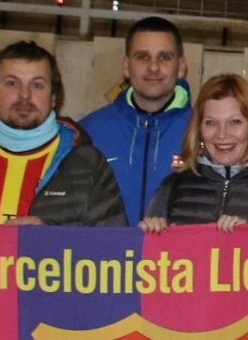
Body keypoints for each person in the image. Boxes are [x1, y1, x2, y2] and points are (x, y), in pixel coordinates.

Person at [0, 40, 126, 226]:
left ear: (53, 97)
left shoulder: (87, 164)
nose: (24, 95)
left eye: (37, 85)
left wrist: (47, 238)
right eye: (11, 83)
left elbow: (113, 244)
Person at [79, 16, 192, 225]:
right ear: (125, 66)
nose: (154, 67)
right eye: (142, 57)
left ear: (181, 67)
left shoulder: (204, 132)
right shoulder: (88, 132)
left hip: (178, 248)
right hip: (105, 248)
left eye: (164, 57)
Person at [138, 74, 248, 231]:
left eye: (234, 122)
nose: (222, 134)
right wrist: (151, 232)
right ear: (199, 129)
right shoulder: (174, 186)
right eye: (211, 123)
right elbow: (146, 245)